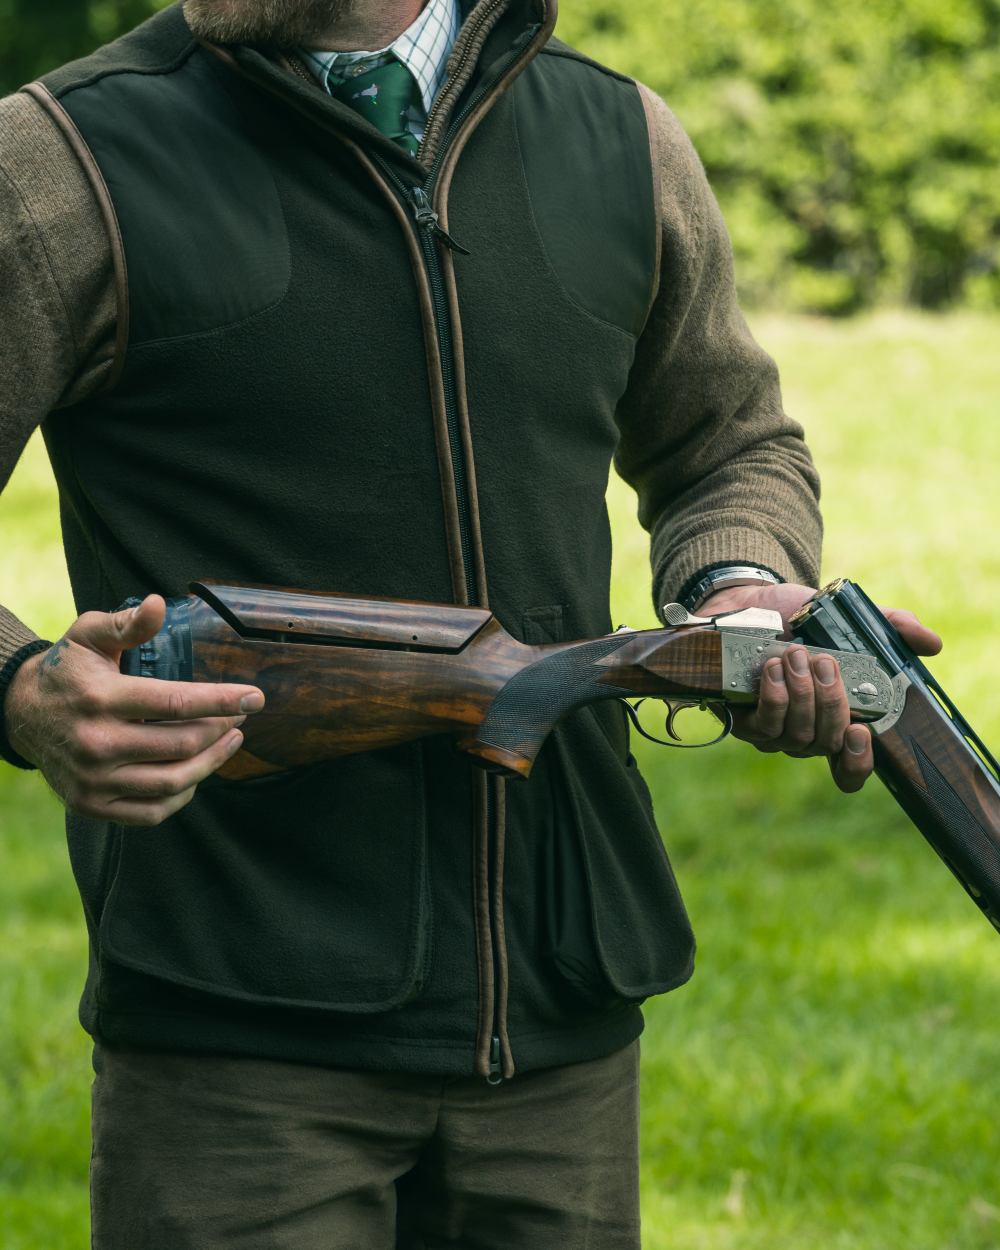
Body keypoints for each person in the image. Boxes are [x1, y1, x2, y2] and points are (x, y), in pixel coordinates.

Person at [0, 0, 941, 1245]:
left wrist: (736, 588)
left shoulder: (620, 139)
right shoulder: (59, 162)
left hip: (563, 1031)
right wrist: (19, 686)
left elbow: (730, 443)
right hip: (237, 1047)